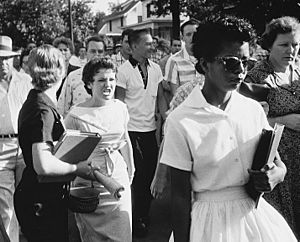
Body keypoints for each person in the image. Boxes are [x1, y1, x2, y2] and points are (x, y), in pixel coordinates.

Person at [160, 15, 297, 242]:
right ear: (204, 64)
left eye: (246, 62)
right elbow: (180, 197)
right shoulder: (181, 120)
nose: (241, 71)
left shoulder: (252, 110)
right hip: (207, 224)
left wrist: (273, 176)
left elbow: (279, 165)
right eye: (231, 62)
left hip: (253, 219)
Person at [14, 44, 95, 242]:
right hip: (40, 200)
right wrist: (77, 168)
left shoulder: (38, 101)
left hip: (39, 196)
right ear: (62, 70)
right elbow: (43, 165)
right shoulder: (42, 110)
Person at [64, 57, 134, 242]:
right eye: (101, 80)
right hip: (89, 182)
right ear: (89, 83)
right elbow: (67, 154)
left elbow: (125, 138)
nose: (108, 85)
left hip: (118, 179)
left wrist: (130, 168)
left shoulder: (121, 108)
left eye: (111, 79)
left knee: (122, 235)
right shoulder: (75, 115)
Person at [243, 16, 300, 238]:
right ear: (269, 45)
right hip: (279, 162)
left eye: (295, 44)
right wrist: (283, 121)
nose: (291, 50)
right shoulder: (256, 77)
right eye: (284, 45)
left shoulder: (298, 71)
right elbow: (247, 121)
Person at [115, 28, 168, 237]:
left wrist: (167, 118)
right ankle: (136, 219)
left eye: (152, 43)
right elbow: (119, 102)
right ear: (134, 46)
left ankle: (143, 214)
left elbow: (161, 97)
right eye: (147, 43)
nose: (151, 46)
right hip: (131, 130)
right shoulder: (123, 71)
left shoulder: (155, 68)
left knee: (150, 175)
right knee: (137, 176)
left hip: (150, 130)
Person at [0, 35, 32, 242]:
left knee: (26, 200)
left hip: (24, 145)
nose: (2, 63)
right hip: (1, 146)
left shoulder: (25, 81)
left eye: (6, 58)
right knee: (6, 204)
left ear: (14, 58)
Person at [57, 35, 106, 117]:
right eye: (93, 51)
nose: (97, 55)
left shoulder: (111, 79)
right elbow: (62, 108)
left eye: (100, 52)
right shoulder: (73, 76)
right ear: (86, 52)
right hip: (77, 126)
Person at [164, 19, 204, 97]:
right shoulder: (174, 61)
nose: (193, 38)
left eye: (195, 34)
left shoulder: (209, 59)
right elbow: (176, 95)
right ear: (182, 37)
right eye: (188, 34)